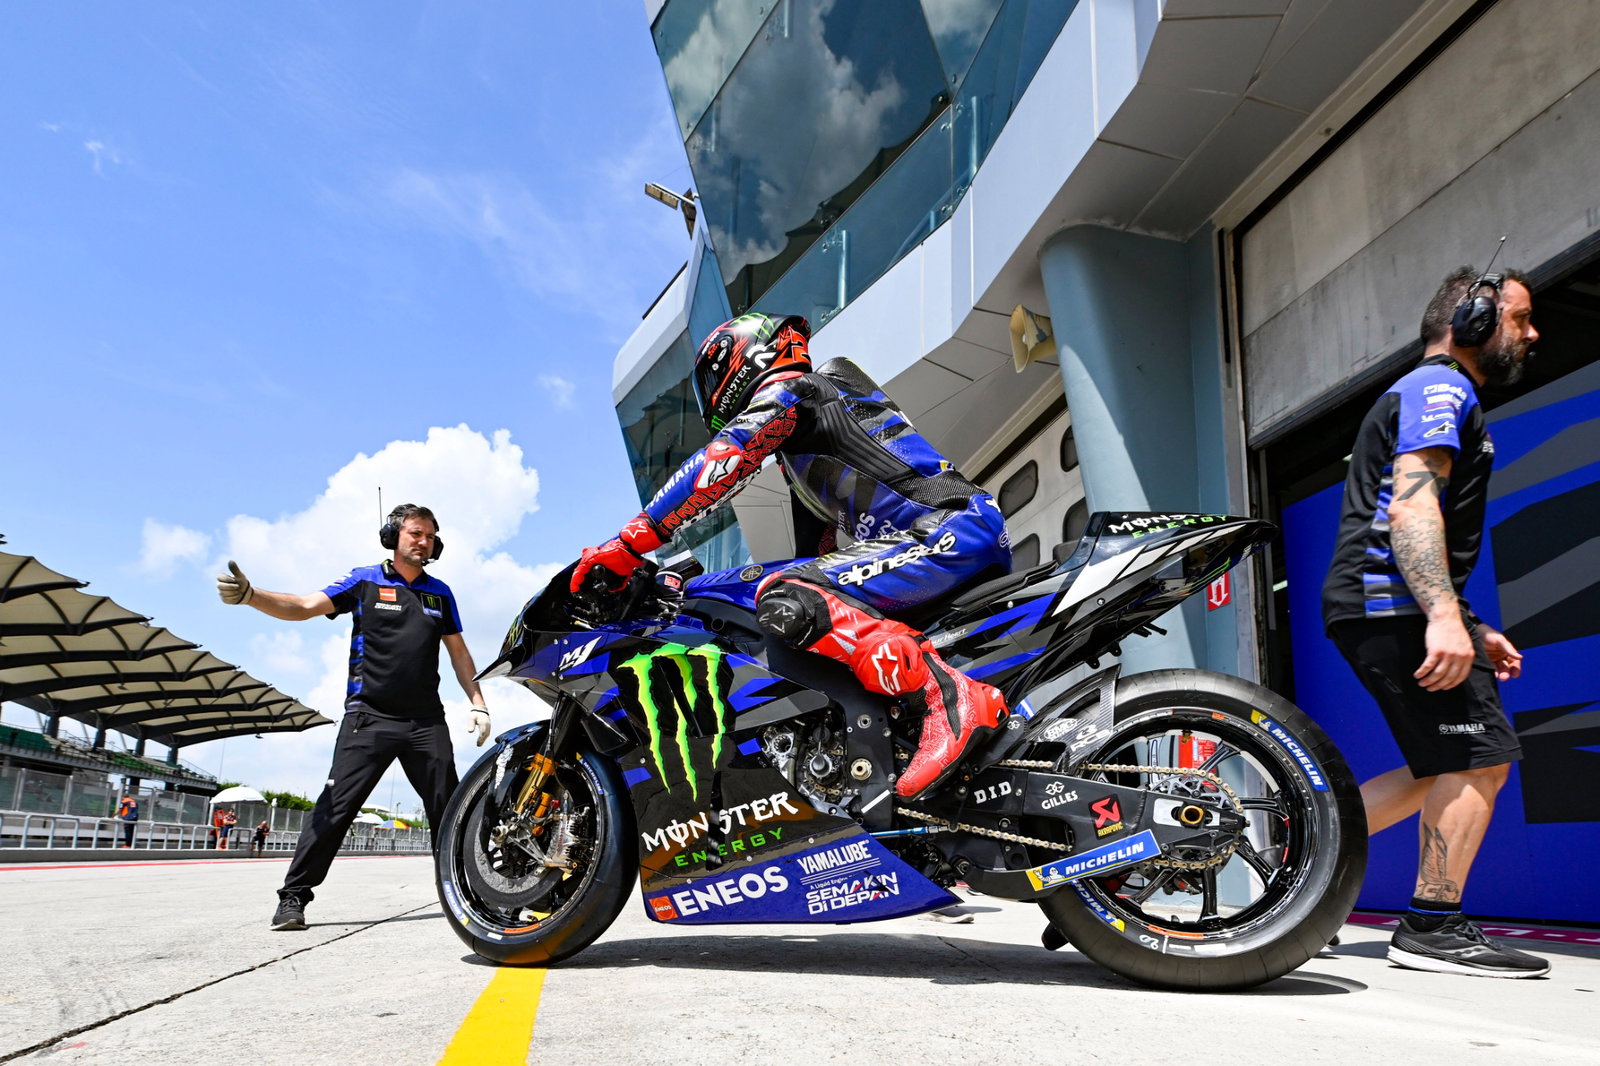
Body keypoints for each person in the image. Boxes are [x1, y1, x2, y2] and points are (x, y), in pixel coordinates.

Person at [572, 314, 1011, 800]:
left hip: (947, 529)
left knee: (787, 598)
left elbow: (728, 456)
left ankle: (948, 701)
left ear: (738, 359)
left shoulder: (804, 389)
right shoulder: (807, 447)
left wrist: (631, 543)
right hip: (940, 540)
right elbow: (810, 559)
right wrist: (690, 589)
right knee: (795, 604)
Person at [1321, 265, 1547, 978]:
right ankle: (1432, 927)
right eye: (1519, 318)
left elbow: (1426, 525)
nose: (1531, 332)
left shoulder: (1433, 392)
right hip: (1393, 606)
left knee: (1442, 767)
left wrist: (1468, 622)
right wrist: (1444, 618)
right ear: (1474, 320)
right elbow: (1412, 506)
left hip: (1385, 605)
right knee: (1480, 760)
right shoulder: (1440, 387)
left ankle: (1299, 877)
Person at [217, 503, 492, 930]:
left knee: (451, 810)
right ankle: (293, 898)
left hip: (425, 723)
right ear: (393, 536)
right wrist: (252, 596)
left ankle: (472, 896)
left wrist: (477, 700)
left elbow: (459, 652)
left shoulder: (441, 594)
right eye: (416, 533)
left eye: (430, 536)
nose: (424, 541)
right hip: (369, 718)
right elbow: (305, 605)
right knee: (335, 809)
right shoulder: (364, 580)